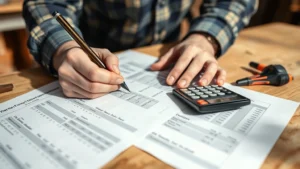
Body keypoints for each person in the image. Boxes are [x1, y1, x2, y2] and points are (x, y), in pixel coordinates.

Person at [23, 0, 258, 99]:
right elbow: (47, 4)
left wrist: (205, 38)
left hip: (170, 50)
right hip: (87, 57)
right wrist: (64, 48)